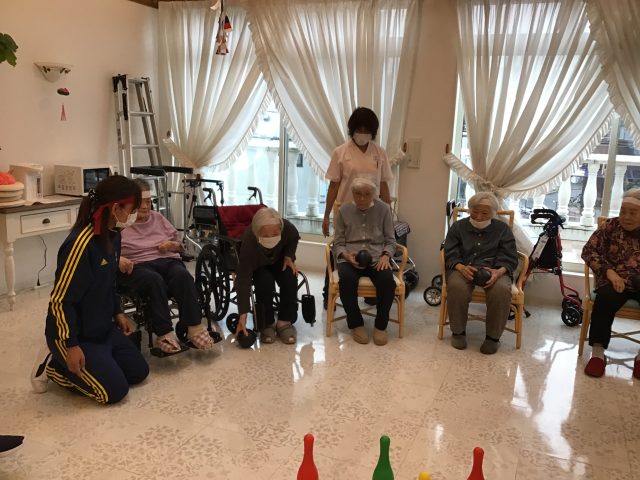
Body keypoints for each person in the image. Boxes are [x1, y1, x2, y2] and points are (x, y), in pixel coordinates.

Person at [30, 175, 149, 404]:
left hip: (101, 328)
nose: (134, 215)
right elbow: (60, 301)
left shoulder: (113, 235)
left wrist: (117, 312)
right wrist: (71, 345)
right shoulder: (80, 245)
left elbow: (110, 281)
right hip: (75, 335)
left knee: (138, 372)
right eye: (132, 210)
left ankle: (99, 360)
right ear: (115, 209)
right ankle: (54, 365)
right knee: (114, 392)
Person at [118, 179, 215, 354]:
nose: (146, 207)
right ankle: (164, 334)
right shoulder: (121, 223)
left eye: (148, 202)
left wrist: (173, 245)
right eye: (141, 202)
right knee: (154, 280)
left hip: (166, 260)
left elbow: (180, 246)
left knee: (182, 275)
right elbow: (107, 252)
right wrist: (119, 259)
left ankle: (194, 327)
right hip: (138, 264)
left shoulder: (158, 218)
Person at [322, 107, 394, 309]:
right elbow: (333, 186)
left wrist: (389, 212)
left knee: (373, 247)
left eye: (367, 130)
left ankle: (372, 293)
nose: (363, 134)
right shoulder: (340, 152)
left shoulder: (379, 153)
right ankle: (329, 294)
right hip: (347, 211)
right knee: (340, 250)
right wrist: (326, 216)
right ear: (352, 130)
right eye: (359, 129)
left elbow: (383, 185)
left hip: (373, 211)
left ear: (373, 132)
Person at [443, 192, 518, 354]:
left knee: (500, 290)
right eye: (475, 211)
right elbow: (449, 251)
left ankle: (493, 338)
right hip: (463, 268)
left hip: (494, 270)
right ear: (469, 210)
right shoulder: (458, 227)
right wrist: (460, 267)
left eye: (484, 213)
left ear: (493, 213)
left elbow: (510, 256)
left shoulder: (502, 229)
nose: (478, 216)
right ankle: (458, 332)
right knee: (456, 286)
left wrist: (499, 272)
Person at [581, 188, 640, 379]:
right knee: (605, 298)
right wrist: (609, 271)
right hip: (614, 280)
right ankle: (598, 354)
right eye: (623, 211)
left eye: (633, 212)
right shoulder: (610, 226)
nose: (626, 217)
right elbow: (588, 251)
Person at [332, 177, 396, 346]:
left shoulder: (384, 209)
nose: (362, 198)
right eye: (358, 194)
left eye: (367, 194)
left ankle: (381, 326)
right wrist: (346, 255)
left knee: (387, 281)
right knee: (346, 280)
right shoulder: (344, 211)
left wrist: (386, 256)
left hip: (377, 258)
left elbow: (391, 240)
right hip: (351, 258)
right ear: (352, 193)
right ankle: (356, 324)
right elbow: (338, 242)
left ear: (373, 194)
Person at [234, 207, 300, 344]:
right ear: (257, 232)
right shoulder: (249, 240)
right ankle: (267, 323)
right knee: (264, 281)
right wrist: (242, 316)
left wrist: (289, 256)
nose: (271, 238)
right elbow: (243, 279)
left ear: (280, 228)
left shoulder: (287, 227)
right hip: (259, 264)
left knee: (290, 276)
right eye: (265, 235)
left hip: (279, 259)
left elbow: (294, 237)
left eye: (275, 233)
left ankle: (284, 322)